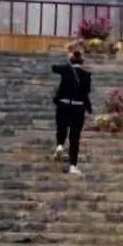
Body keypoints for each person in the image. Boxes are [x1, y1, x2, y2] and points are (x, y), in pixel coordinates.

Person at [51, 44, 92, 177]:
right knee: (75, 137)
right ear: (82, 61)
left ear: (71, 60)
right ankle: (73, 165)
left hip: (63, 104)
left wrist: (67, 62)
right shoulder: (86, 75)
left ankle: (60, 145)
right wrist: (89, 107)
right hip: (78, 107)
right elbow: (86, 92)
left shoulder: (66, 70)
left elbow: (53, 68)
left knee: (61, 127)